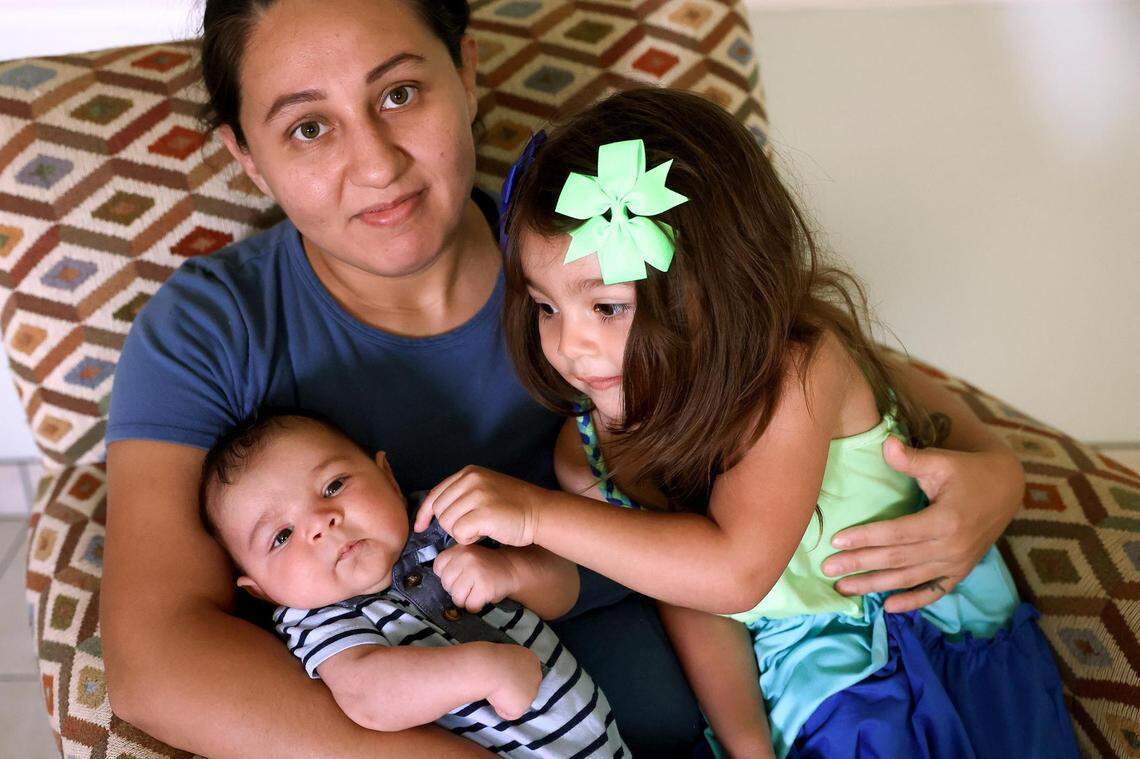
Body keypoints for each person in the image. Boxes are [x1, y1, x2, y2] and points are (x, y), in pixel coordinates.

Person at [102, 0, 1033, 755]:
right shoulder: (214, 328)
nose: (376, 164)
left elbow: (811, 349)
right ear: (245, 153)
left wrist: (995, 469)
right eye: (309, 127)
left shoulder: (585, 248)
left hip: (794, 692)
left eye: (399, 94)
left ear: (467, 72)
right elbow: (156, 662)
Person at [413, 88, 1078, 758]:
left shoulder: (799, 372)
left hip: (911, 646)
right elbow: (691, 594)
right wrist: (746, 743)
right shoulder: (588, 451)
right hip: (795, 677)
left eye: (607, 307)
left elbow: (734, 572)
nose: (569, 346)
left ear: (715, 289)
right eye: (546, 307)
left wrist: (535, 515)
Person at [197, 409, 627, 756]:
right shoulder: (319, 619)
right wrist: (482, 671)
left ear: (387, 476)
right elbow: (368, 696)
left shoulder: (445, 522)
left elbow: (563, 591)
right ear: (262, 591)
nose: (320, 523)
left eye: (333, 486)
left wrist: (511, 571)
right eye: (281, 536)